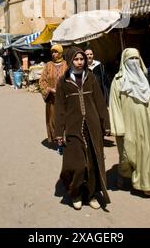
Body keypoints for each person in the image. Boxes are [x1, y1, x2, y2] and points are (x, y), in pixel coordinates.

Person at [109, 48, 150, 204]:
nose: (134, 62)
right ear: (124, 62)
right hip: (128, 126)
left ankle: (147, 187)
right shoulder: (118, 81)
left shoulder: (144, 80)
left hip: (146, 126)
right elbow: (114, 106)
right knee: (128, 155)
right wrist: (118, 128)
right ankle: (123, 174)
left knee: (146, 156)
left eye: (137, 59)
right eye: (131, 59)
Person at [54, 47, 110, 210]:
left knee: (93, 163)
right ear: (70, 61)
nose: (79, 62)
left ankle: (90, 194)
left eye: (82, 59)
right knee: (76, 164)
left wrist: (105, 124)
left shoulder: (91, 78)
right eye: (76, 59)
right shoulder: (63, 82)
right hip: (73, 128)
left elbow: (100, 102)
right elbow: (59, 109)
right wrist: (59, 131)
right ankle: (75, 194)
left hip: (92, 128)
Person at [39, 45, 67, 148]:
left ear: (60, 52)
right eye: (52, 52)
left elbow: (70, 79)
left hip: (65, 98)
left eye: (56, 52)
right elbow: (42, 81)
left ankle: (65, 139)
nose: (54, 54)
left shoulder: (67, 65)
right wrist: (50, 89)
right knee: (53, 119)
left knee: (65, 118)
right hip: (52, 99)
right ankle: (57, 140)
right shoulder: (48, 65)